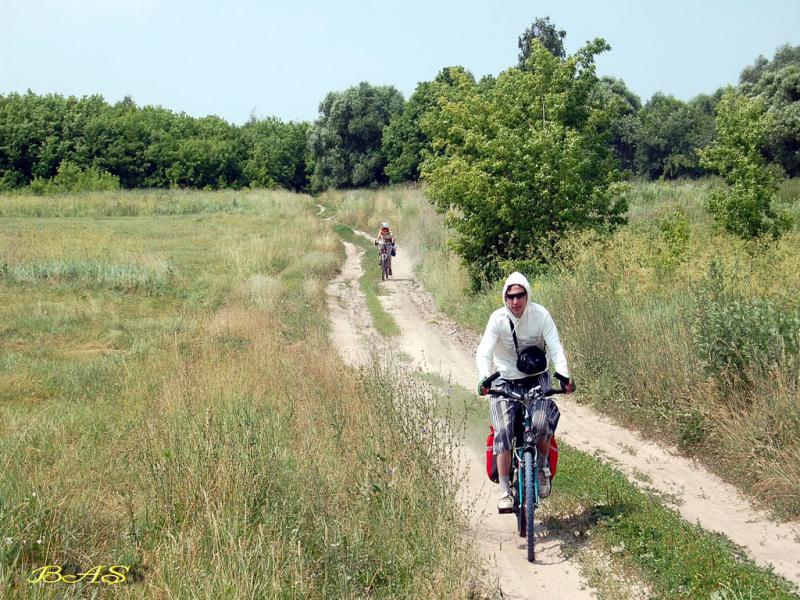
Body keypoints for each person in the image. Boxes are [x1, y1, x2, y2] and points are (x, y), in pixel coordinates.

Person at [476, 271, 575, 513]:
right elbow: (483, 352)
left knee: (541, 425)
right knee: (503, 433)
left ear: (527, 295)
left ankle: (541, 469)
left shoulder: (541, 316)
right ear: (505, 297)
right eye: (510, 297)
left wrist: (563, 376)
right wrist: (483, 378)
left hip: (536, 378)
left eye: (520, 295)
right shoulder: (497, 319)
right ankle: (504, 492)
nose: (515, 302)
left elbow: (556, 347)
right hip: (504, 381)